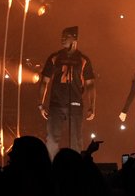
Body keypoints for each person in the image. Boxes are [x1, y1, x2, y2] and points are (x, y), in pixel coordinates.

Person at [38, 25, 97, 156]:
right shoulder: (55, 57)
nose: (62, 39)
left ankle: (75, 169)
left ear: (74, 39)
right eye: (62, 36)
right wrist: (40, 104)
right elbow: (44, 81)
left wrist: (92, 106)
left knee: (76, 140)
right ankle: (51, 168)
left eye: (66, 36)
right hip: (56, 104)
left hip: (75, 104)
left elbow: (91, 85)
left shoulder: (83, 60)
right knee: (52, 140)